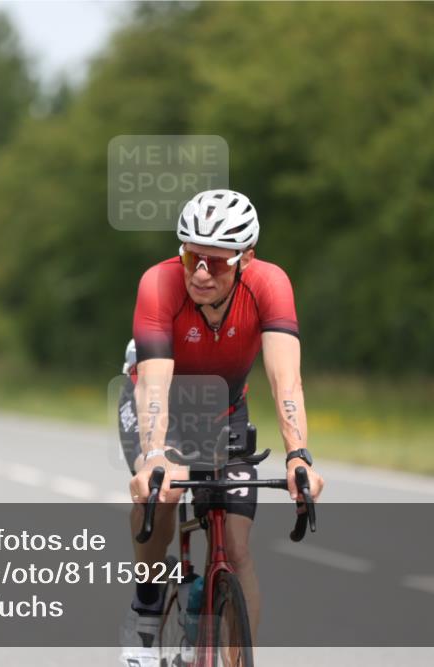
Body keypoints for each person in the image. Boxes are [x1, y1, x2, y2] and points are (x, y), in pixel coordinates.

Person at [118, 189, 326, 666]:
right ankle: (145, 609)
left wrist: (298, 456)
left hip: (224, 412)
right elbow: (152, 384)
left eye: (216, 260)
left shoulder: (270, 285)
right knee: (160, 492)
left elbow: (285, 379)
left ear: (246, 259)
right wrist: (154, 457)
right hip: (156, 402)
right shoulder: (159, 283)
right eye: (192, 255)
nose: (201, 272)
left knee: (236, 545)